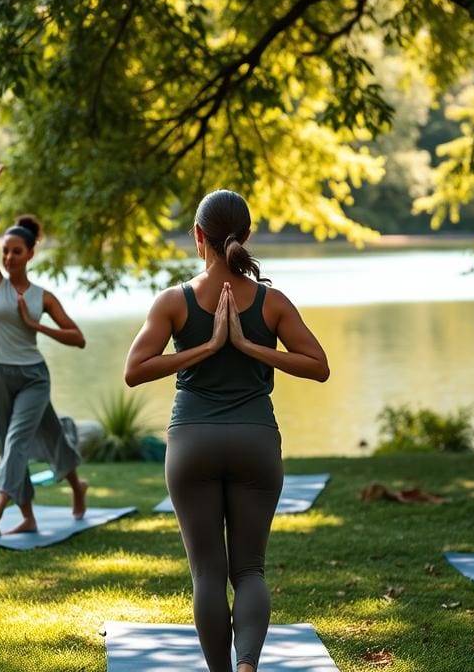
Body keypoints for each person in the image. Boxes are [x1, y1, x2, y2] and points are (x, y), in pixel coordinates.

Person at [124, 189, 329, 672]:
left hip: (192, 443)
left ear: (198, 236)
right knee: (250, 570)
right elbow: (318, 366)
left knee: (208, 575)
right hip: (256, 442)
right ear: (248, 235)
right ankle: (247, 666)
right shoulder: (272, 302)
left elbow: (135, 370)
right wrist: (241, 344)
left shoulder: (175, 301)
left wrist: (210, 345)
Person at [0, 153, 88, 536]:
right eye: (4, 251)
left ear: (30, 254)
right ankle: (38, 510)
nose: (8, 257)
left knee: (16, 442)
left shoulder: (43, 297)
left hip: (33, 376)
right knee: (48, 436)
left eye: (16, 252)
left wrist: (35, 325)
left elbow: (78, 338)